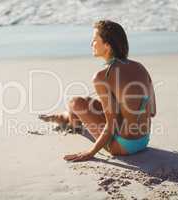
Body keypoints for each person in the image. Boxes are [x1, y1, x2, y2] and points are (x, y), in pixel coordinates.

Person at [39, 20, 156, 162]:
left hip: (122, 147)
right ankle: (68, 119)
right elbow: (152, 111)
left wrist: (91, 152)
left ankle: (69, 120)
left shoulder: (103, 76)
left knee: (75, 102)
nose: (91, 44)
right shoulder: (140, 67)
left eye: (94, 40)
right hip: (143, 140)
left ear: (107, 46)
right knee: (88, 102)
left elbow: (111, 125)